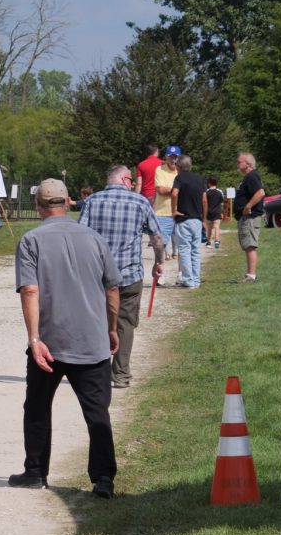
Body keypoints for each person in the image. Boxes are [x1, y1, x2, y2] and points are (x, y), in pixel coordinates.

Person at [11, 179, 121, 498]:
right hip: (92, 339)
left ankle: (35, 471)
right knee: (96, 412)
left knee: (37, 406)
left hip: (50, 341)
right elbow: (112, 288)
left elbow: (30, 290)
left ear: (38, 206)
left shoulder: (31, 240)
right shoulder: (95, 238)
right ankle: (103, 478)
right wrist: (111, 328)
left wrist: (34, 339)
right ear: (68, 201)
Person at [78, 165, 165, 390]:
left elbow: (80, 235)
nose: (133, 183)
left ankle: (97, 373)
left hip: (97, 275)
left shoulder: (92, 201)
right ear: (125, 180)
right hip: (129, 274)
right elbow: (156, 237)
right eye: (131, 180)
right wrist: (159, 261)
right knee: (125, 323)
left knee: (98, 321)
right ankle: (121, 374)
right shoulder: (140, 202)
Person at [172, 154, 207, 288]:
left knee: (184, 250)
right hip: (197, 219)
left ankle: (188, 280)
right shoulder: (199, 179)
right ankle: (196, 280)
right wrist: (204, 218)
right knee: (195, 250)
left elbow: (174, 193)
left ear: (179, 166)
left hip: (183, 219)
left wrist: (174, 210)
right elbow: (204, 200)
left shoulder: (179, 178)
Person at [234, 151, 263, 282]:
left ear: (248, 164)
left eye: (239, 162)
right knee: (247, 245)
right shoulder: (248, 177)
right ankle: (250, 273)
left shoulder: (252, 176)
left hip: (250, 218)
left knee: (250, 245)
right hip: (245, 218)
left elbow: (260, 193)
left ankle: (251, 275)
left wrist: (248, 206)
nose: (237, 164)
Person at [152, 145, 180, 280]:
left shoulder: (181, 171)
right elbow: (160, 190)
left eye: (176, 157)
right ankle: (160, 275)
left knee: (182, 247)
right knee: (160, 247)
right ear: (166, 158)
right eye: (171, 157)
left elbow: (167, 190)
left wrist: (171, 190)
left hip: (180, 212)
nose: (173, 160)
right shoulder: (160, 170)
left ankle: (181, 275)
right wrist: (177, 190)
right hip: (163, 213)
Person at [204, 176, 224, 249]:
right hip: (217, 212)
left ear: (209, 183)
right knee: (216, 227)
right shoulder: (219, 192)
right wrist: (221, 211)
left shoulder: (207, 192)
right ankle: (217, 241)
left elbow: (204, 202)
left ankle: (208, 242)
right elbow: (221, 203)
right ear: (216, 183)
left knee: (209, 228)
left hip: (209, 212)